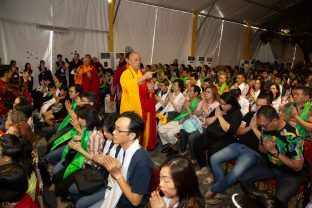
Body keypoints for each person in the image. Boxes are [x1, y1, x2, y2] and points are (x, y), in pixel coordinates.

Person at [205, 91, 273, 205]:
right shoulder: (250, 115)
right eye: (257, 104)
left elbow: (267, 144)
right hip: (238, 145)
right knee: (214, 159)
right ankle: (221, 190)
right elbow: (238, 131)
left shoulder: (271, 121)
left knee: (235, 174)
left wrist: (255, 129)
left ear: (270, 106)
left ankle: (215, 189)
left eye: (262, 106)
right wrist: (250, 127)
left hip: (253, 152)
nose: (258, 107)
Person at [240, 106, 306, 207]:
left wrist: (274, 151)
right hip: (271, 166)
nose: (262, 128)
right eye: (260, 125)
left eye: (263, 126)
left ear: (275, 120)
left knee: (277, 203)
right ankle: (260, 201)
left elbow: (298, 167)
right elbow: (261, 150)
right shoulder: (266, 128)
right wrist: (266, 148)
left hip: (290, 174)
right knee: (243, 179)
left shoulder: (293, 136)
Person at [90, 111, 153, 208]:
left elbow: (135, 201)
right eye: (115, 127)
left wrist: (118, 174)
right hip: (116, 193)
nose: (114, 132)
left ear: (131, 135)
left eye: (119, 130)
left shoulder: (142, 162)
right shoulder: (123, 149)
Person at [193, 92, 242, 184]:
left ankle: (212, 175)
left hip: (224, 138)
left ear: (232, 103)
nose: (222, 106)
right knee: (197, 143)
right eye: (221, 103)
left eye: (225, 104)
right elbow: (207, 122)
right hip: (211, 133)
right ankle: (204, 168)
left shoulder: (237, 113)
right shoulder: (218, 108)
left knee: (212, 152)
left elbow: (229, 130)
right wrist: (215, 116)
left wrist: (220, 117)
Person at [120, 52, 156, 150]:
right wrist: (144, 78)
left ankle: (140, 150)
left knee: (142, 131)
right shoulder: (125, 74)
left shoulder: (141, 73)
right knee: (131, 133)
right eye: (135, 60)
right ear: (128, 61)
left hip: (143, 107)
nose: (138, 62)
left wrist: (150, 90)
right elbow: (127, 86)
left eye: (139, 60)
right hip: (131, 109)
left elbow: (146, 91)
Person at [158, 85, 201, 157]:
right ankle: (173, 145)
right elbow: (181, 112)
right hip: (179, 119)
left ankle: (174, 147)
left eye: (190, 91)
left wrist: (188, 108)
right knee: (161, 129)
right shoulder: (188, 100)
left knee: (169, 134)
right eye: (188, 90)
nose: (188, 92)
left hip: (187, 123)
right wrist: (185, 105)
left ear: (196, 93)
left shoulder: (198, 102)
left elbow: (193, 117)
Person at [110, 46, 133, 113]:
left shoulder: (137, 71)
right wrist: (112, 99)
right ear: (126, 59)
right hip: (121, 99)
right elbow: (114, 84)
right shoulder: (120, 70)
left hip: (133, 100)